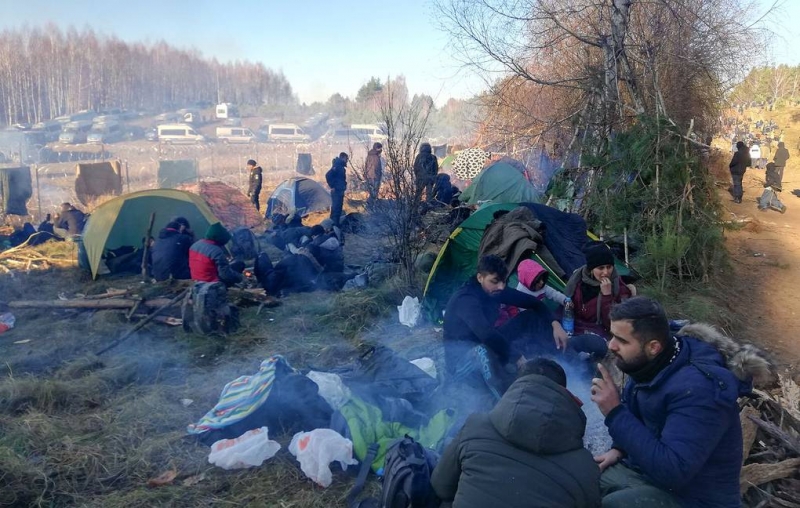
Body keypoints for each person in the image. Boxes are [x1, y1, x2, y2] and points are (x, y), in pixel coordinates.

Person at [590, 297, 758, 507]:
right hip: (653, 478)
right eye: (612, 335)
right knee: (583, 477)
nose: (611, 345)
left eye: (622, 340)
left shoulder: (699, 390)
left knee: (614, 504)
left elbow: (673, 471)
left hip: (696, 498)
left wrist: (615, 412)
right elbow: (643, 418)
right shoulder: (651, 363)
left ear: (653, 347)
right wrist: (619, 449)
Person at [432, 357, 601, 508]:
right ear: (564, 395)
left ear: (518, 385)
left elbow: (440, 486)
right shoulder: (585, 466)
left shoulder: (475, 425)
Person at [443, 255, 569, 401]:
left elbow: (534, 303)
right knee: (481, 351)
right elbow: (486, 334)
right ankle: (505, 402)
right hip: (462, 361)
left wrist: (555, 324)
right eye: (495, 281)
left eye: (504, 281)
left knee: (528, 317)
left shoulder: (494, 291)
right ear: (480, 278)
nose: (501, 286)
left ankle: (561, 355)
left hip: (487, 344)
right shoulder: (465, 299)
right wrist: (516, 356)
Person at [564, 242, 632, 344]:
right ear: (591, 269)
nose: (606, 272)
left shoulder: (620, 288)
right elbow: (565, 307)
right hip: (575, 328)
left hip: (599, 333)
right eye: (601, 268)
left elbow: (614, 324)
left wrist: (607, 296)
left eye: (609, 267)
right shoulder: (577, 282)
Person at [326, 152, 348, 225]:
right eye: (346, 159)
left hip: (340, 190)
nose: (347, 160)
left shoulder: (339, 166)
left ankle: (333, 224)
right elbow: (328, 175)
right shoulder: (337, 166)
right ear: (343, 158)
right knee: (336, 209)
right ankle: (334, 225)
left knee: (337, 209)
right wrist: (332, 186)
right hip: (336, 191)